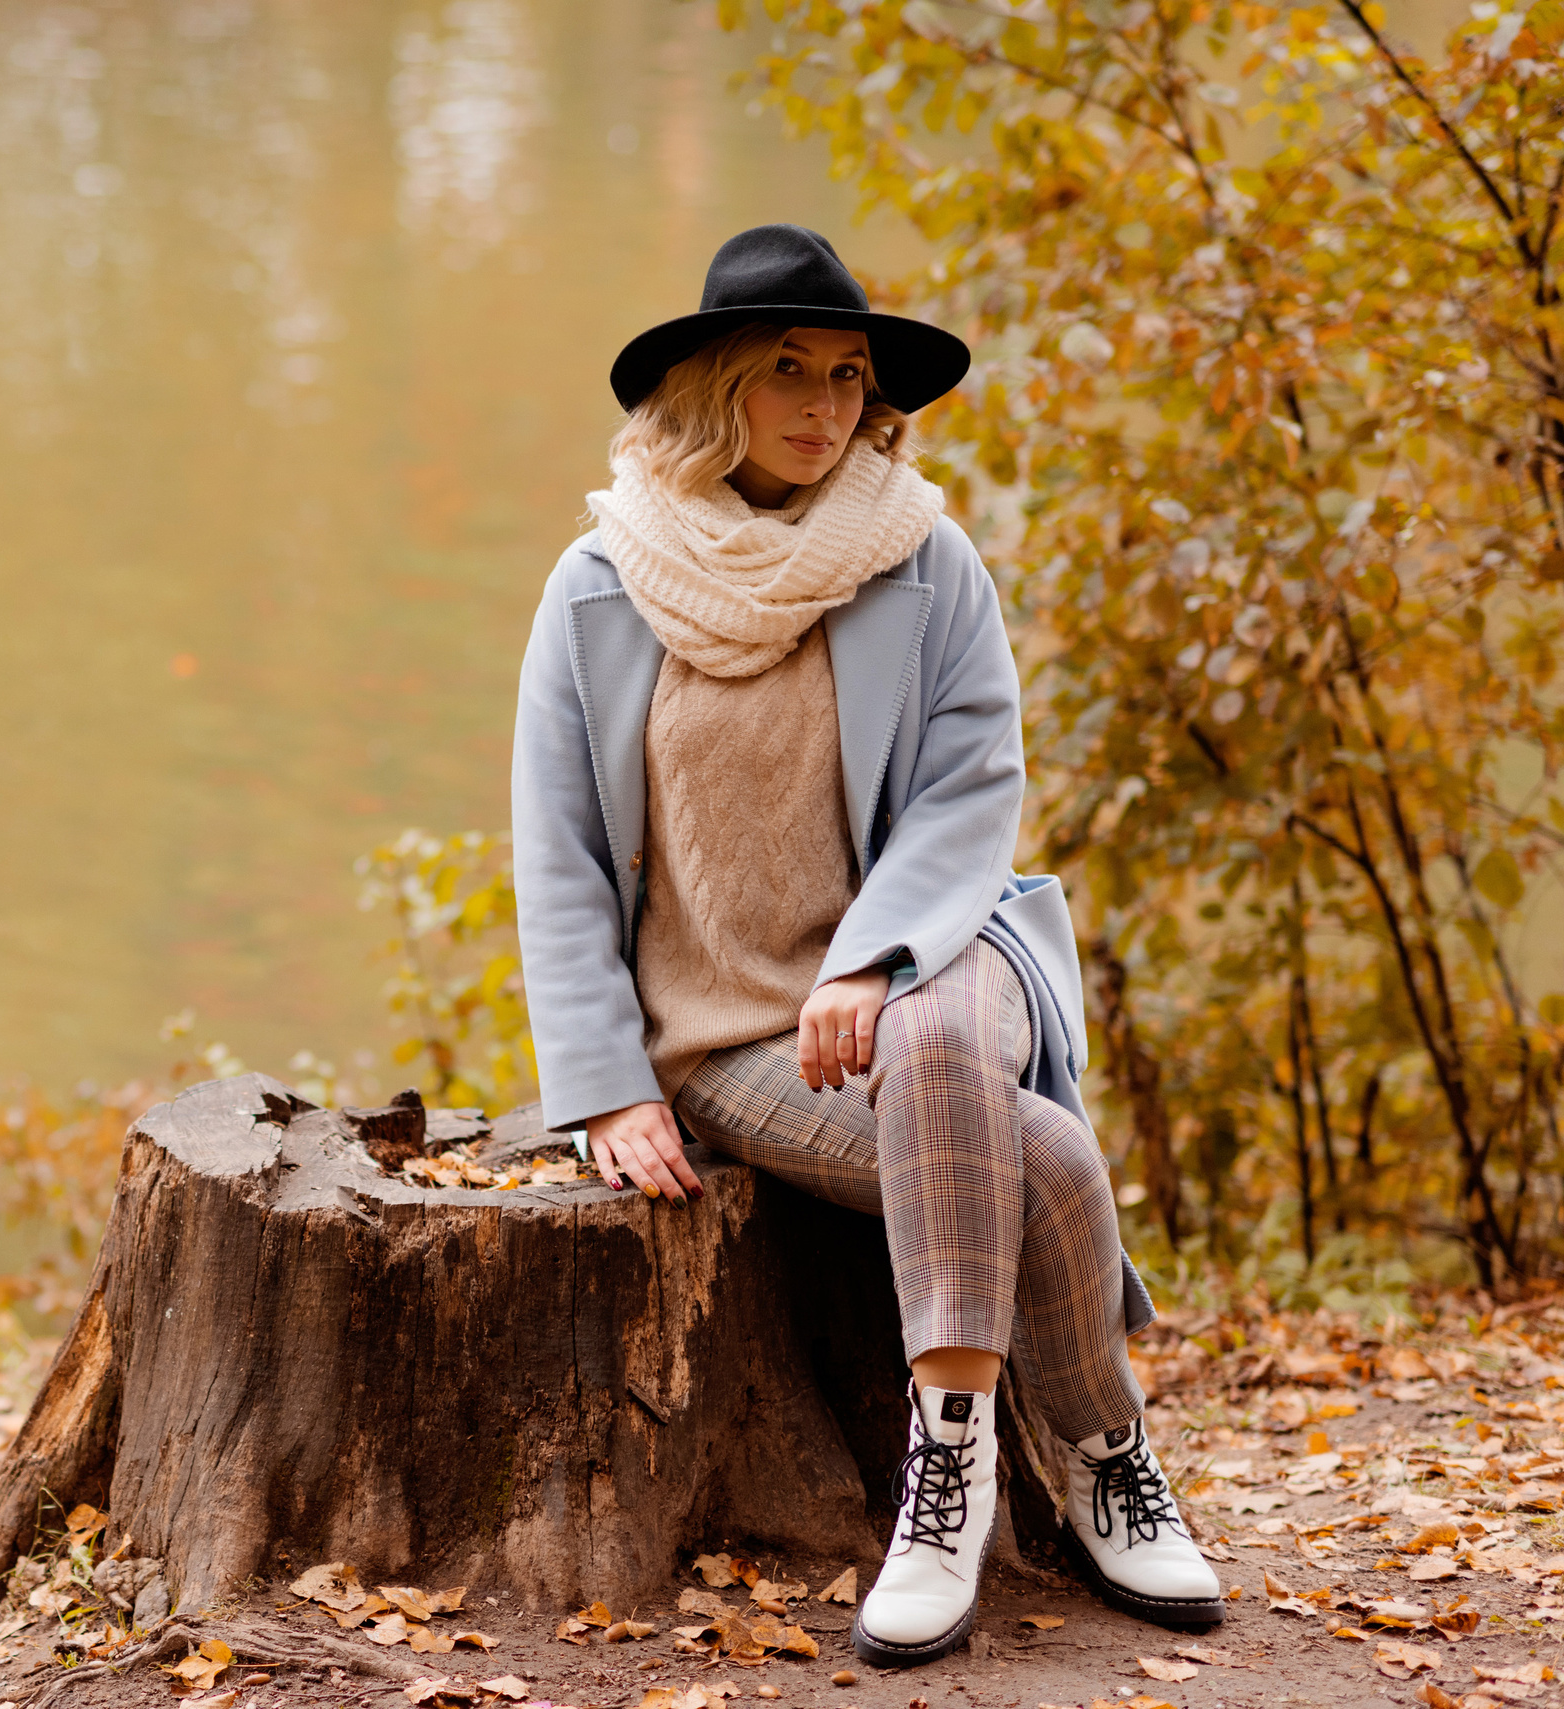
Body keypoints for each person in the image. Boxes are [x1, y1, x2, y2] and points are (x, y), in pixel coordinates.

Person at [509, 225, 1223, 1667]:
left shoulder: (920, 556)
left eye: (848, 374)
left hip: (935, 955)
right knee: (1048, 1158)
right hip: (731, 1038)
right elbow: (560, 853)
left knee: (938, 1030)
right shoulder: (598, 586)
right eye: (788, 369)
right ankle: (1104, 1449)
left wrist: (873, 960)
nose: (827, 402)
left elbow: (971, 789)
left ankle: (940, 1485)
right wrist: (607, 1083)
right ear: (716, 384)